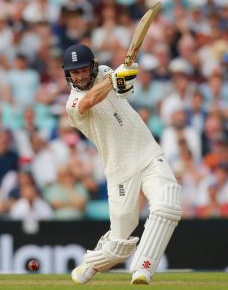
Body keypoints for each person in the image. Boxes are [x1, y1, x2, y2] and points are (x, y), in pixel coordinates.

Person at [62, 43, 182, 285]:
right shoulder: (72, 104)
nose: (81, 76)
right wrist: (115, 78)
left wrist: (125, 76)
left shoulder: (105, 71)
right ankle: (92, 263)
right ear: (68, 75)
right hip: (119, 168)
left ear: (93, 66)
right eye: (75, 72)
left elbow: (124, 89)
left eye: (84, 69)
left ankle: (143, 268)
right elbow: (89, 101)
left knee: (168, 204)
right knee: (118, 243)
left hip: (148, 152)